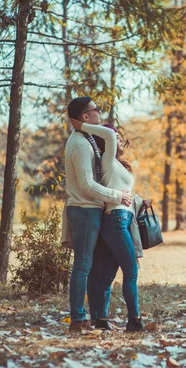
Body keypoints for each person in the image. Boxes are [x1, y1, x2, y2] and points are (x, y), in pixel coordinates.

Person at [70, 118, 145, 332]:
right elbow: (110, 135)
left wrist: (138, 200)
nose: (119, 138)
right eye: (115, 136)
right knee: (130, 272)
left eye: (119, 136)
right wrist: (81, 125)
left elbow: (123, 192)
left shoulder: (115, 164)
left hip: (118, 220)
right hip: (116, 222)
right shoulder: (107, 159)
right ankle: (134, 320)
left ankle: (101, 319)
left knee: (106, 274)